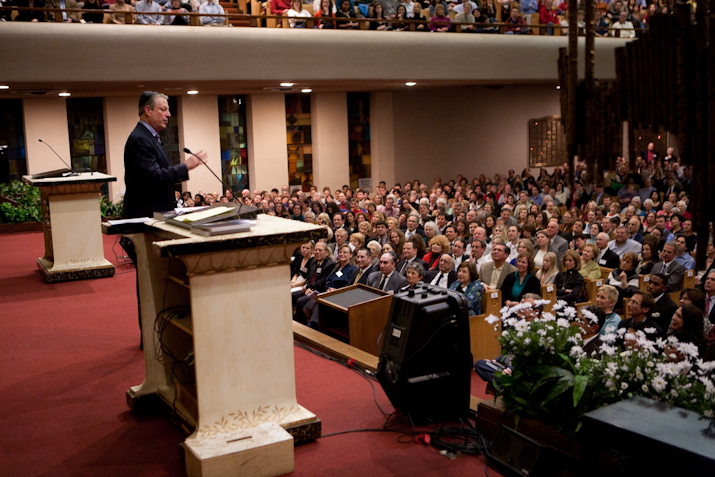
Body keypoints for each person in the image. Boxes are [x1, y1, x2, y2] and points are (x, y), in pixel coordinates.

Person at [123, 92, 205, 219]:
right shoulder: (140, 139)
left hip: (157, 214)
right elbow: (154, 176)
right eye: (163, 109)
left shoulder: (150, 137)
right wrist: (185, 166)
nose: (168, 114)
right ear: (148, 110)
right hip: (146, 216)